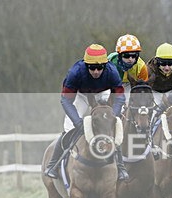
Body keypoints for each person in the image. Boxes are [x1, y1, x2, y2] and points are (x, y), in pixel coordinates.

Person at [43, 44, 129, 180]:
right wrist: (77, 122)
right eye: (92, 67)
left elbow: (120, 98)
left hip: (103, 94)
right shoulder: (75, 73)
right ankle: (53, 164)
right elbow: (66, 101)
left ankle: (121, 167)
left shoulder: (112, 72)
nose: (96, 71)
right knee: (69, 127)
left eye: (100, 67)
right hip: (81, 95)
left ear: (105, 66)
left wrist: (114, 116)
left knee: (109, 126)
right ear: (86, 65)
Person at [108, 34, 148, 100]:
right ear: (119, 55)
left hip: (131, 85)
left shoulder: (142, 67)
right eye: (126, 56)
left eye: (134, 56)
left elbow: (143, 88)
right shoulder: (110, 63)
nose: (130, 59)